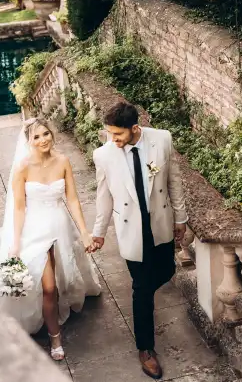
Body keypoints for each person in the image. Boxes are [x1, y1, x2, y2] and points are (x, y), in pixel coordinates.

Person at [0, 117, 101, 361]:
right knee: (48, 287)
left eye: (46, 134)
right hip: (34, 230)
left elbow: (72, 200)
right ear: (28, 141)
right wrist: (15, 243)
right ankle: (55, 337)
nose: (43, 140)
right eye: (36, 137)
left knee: (61, 279)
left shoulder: (63, 161)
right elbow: (18, 208)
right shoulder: (22, 168)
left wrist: (83, 231)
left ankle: (57, 308)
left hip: (60, 226)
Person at [91, 102, 187, 379]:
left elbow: (174, 182)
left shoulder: (162, 139)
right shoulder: (104, 155)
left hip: (160, 222)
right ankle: (146, 349)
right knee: (141, 288)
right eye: (110, 134)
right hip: (129, 228)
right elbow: (103, 197)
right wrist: (98, 232)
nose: (114, 140)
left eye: (118, 135)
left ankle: (144, 301)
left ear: (135, 128)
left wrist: (180, 219)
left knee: (167, 271)